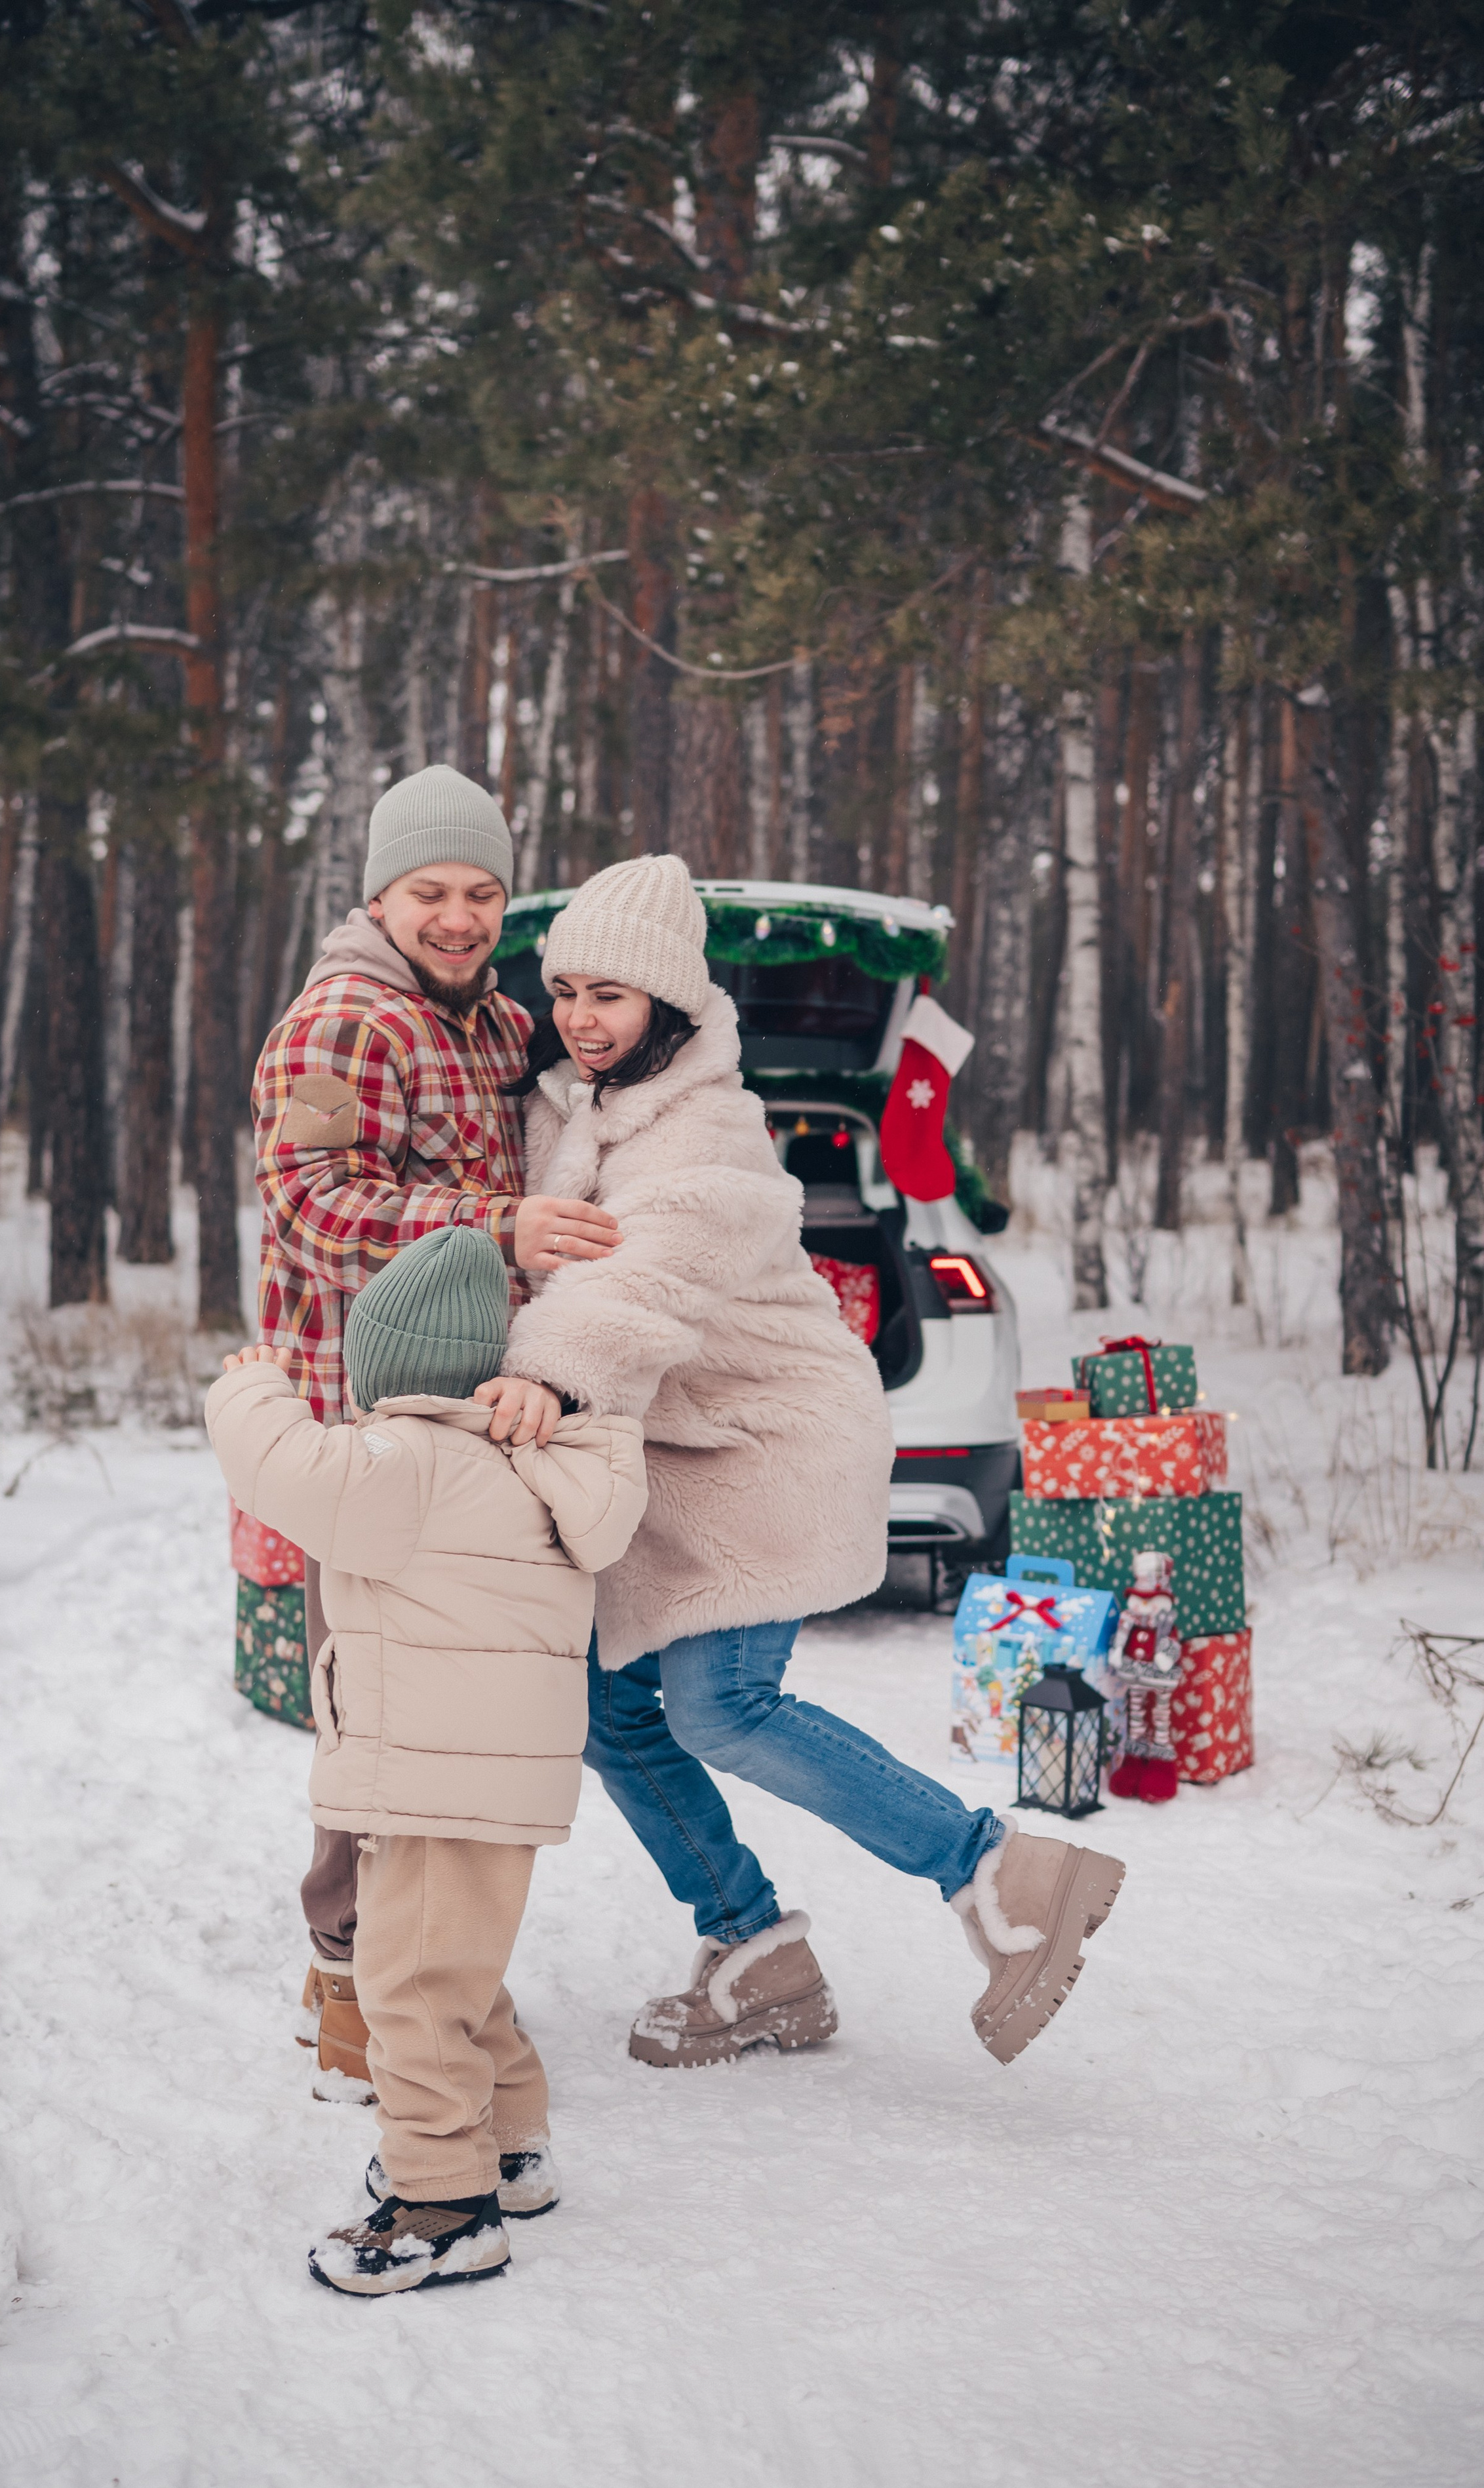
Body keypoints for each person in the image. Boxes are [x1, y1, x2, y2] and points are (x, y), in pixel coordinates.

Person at [485, 855, 1127, 2071]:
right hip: (679, 1456)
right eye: (565, 987)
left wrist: (551, 1371)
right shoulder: (575, 1108)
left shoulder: (710, 1137)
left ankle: (1001, 1874)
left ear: (669, 1002)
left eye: (609, 993)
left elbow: (643, 1278)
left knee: (719, 1708)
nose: (579, 1014)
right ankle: (754, 1953)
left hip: (771, 1448)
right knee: (612, 1720)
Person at [250, 763, 616, 2084]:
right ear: (377, 894)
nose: (457, 914)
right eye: (429, 891)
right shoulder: (345, 1019)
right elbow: (312, 1201)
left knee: (431, 1707)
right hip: (361, 1427)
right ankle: (350, 1972)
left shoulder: (487, 1016)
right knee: (379, 1710)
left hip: (455, 1416)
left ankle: (373, 1971)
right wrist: (491, 1224)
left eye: (480, 890)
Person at [207, 1226, 647, 2295]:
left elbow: (277, 1465)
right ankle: (511, 2150)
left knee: (407, 1989)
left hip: (434, 1779)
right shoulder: (533, 1464)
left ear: (387, 1368)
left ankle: (446, 2205)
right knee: (460, 1978)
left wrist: (251, 1388)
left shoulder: (406, 1463)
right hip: (494, 1784)